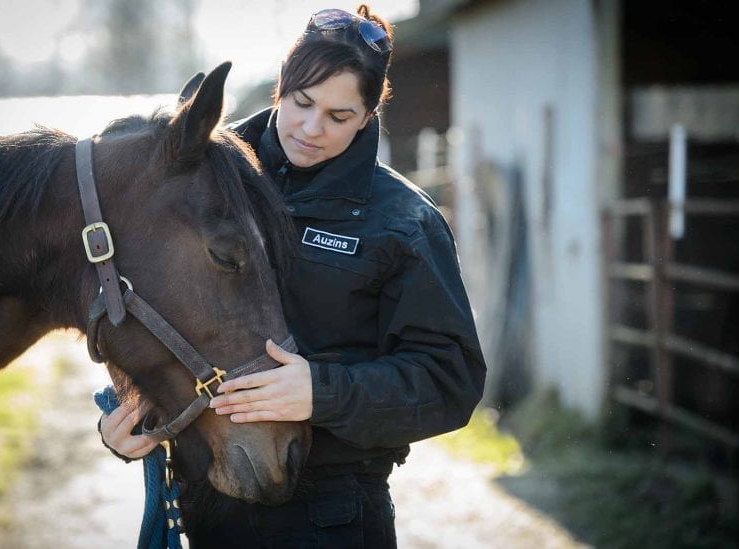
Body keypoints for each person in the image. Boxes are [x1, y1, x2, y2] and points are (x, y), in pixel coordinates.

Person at [100, 4, 486, 547]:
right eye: (302, 103)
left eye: (339, 116)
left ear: (369, 116)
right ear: (282, 85)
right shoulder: (199, 178)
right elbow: (140, 303)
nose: (311, 128)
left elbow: (450, 382)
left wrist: (321, 393)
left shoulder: (404, 223)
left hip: (330, 513)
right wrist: (131, 417)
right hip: (198, 506)